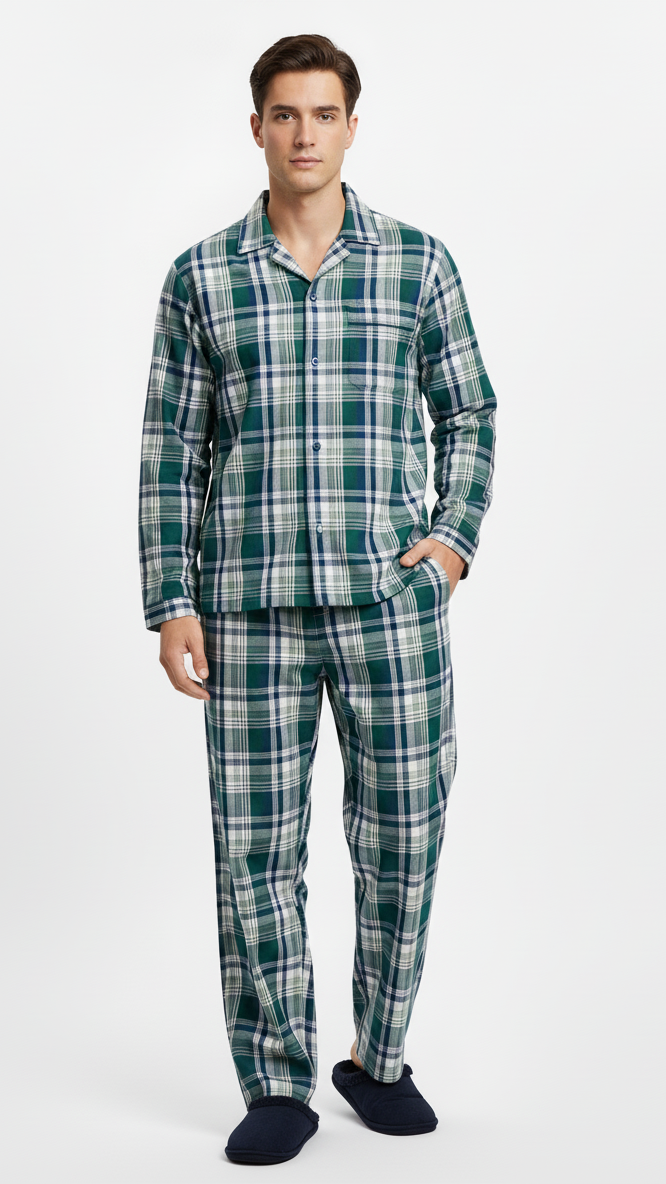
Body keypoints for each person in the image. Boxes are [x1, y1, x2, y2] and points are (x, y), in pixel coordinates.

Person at [138, 32, 497, 1166]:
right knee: (255, 851)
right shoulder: (202, 276)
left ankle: (377, 1058)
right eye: (285, 114)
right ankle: (279, 1080)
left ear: (352, 125)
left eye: (323, 113)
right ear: (257, 128)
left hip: (389, 601)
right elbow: (171, 451)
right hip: (245, 607)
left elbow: (470, 411)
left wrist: (449, 545)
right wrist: (170, 599)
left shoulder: (418, 263)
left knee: (405, 833)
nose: (304, 134)